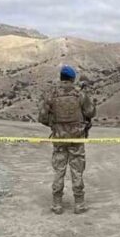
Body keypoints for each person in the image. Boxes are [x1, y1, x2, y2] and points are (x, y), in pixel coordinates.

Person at [39, 65, 96, 215]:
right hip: (76, 139)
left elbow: (42, 117)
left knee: (59, 170)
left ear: (61, 77)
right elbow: (91, 112)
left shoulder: (51, 94)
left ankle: (57, 204)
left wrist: (55, 126)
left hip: (59, 139)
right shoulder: (80, 94)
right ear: (72, 78)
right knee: (77, 171)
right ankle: (79, 204)